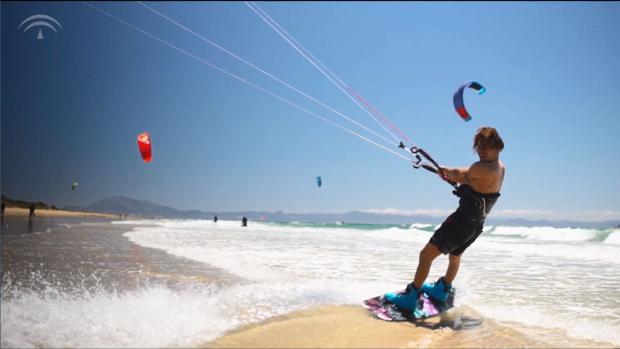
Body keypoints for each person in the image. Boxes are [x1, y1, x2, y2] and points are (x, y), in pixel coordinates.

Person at [385, 126, 505, 311]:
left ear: (498, 146)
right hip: (476, 226)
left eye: (486, 146)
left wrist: (446, 171)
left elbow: (461, 175)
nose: (481, 150)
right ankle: (442, 289)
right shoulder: (499, 167)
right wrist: (447, 172)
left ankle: (411, 297)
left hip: (461, 222)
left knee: (425, 255)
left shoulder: (481, 168)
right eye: (479, 146)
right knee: (455, 256)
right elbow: (466, 177)